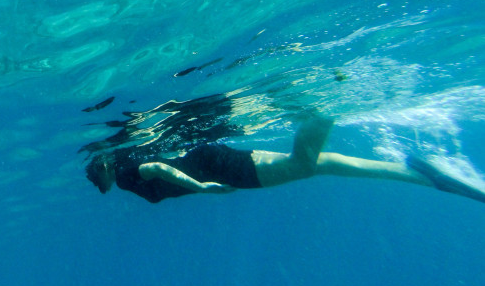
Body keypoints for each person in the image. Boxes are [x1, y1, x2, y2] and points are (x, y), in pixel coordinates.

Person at [85, 115, 485, 204]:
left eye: (95, 179)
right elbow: (160, 161)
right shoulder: (124, 163)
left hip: (216, 169)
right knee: (318, 164)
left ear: (103, 168)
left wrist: (200, 186)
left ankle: (321, 107)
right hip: (211, 158)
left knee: (302, 164)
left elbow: (155, 168)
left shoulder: (122, 174)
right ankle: (419, 172)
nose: (99, 186)